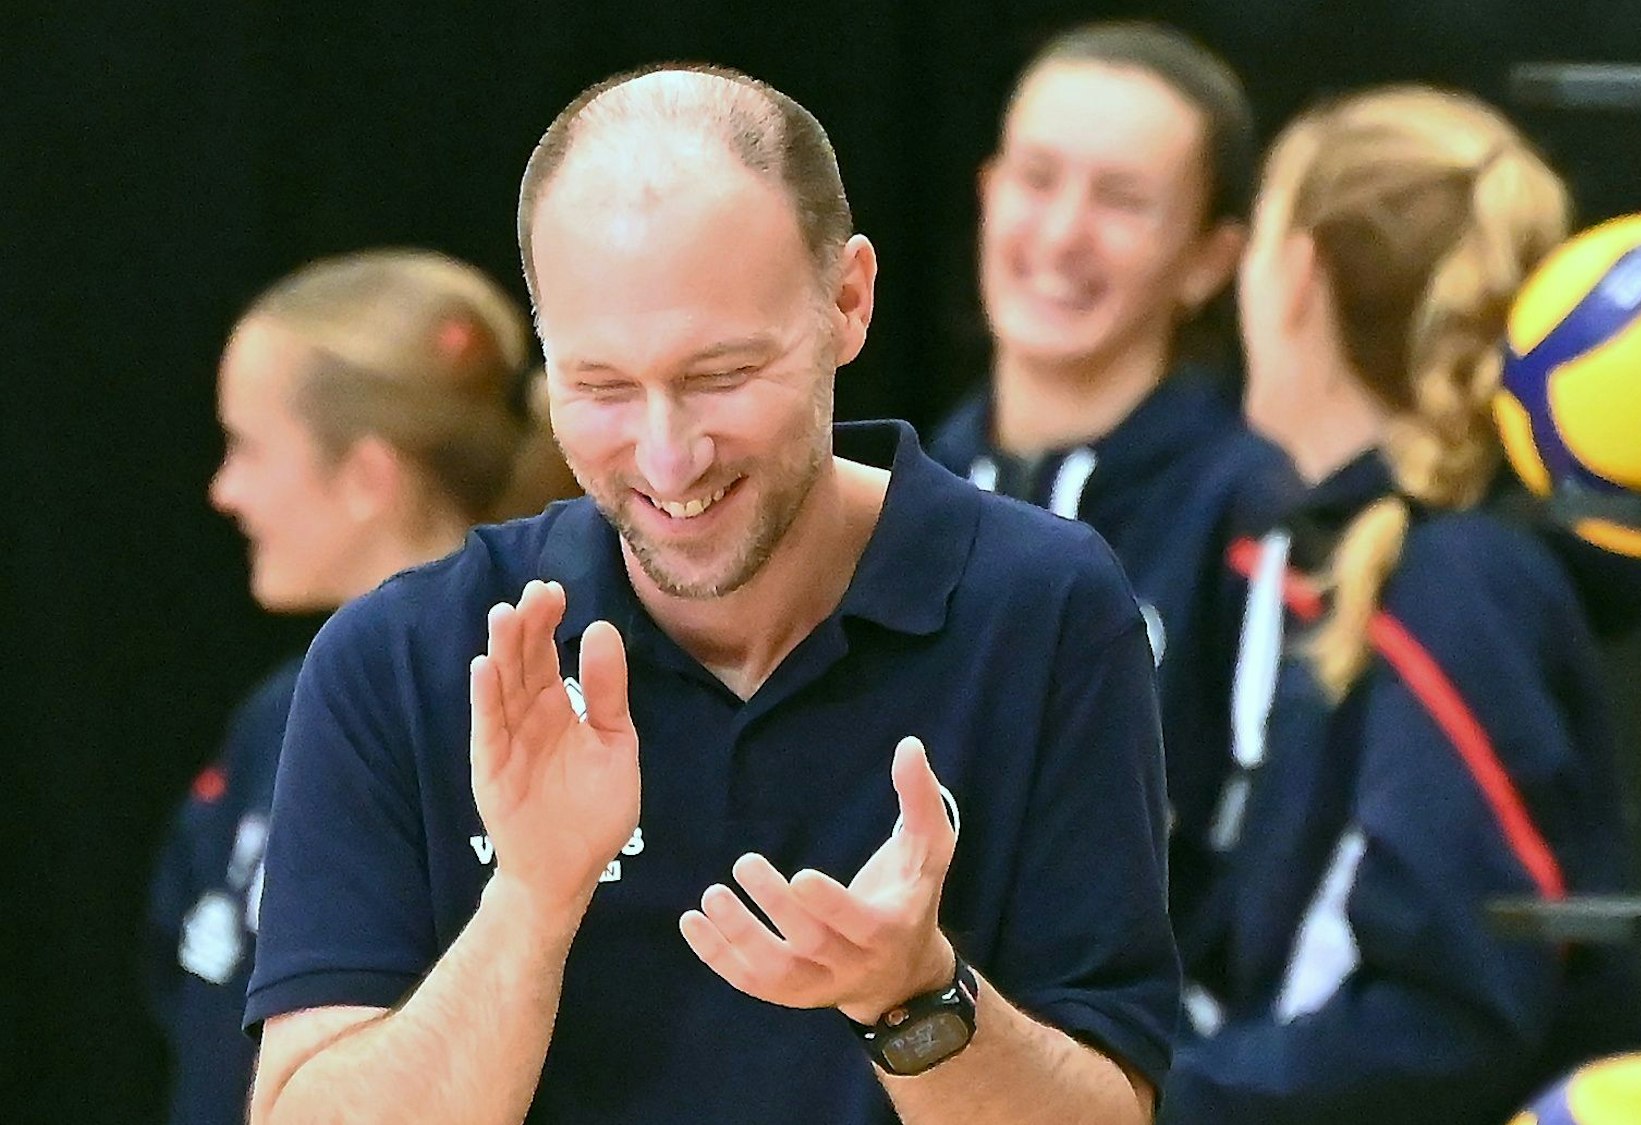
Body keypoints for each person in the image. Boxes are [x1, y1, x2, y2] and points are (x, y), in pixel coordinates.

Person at [242, 64, 1177, 1125]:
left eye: (720, 375)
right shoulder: (405, 654)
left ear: (847, 301)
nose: (667, 456)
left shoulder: (1041, 609)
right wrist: (531, 902)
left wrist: (912, 997)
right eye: (597, 387)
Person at [1159, 87, 1641, 1123]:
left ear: (1294, 277)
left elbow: (1449, 1016)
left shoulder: (1458, 581)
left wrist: (1149, 1100)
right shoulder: (1354, 548)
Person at [145, 248, 578, 1125]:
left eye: (247, 447)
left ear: (367, 477)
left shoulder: (535, 720)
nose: (223, 490)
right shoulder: (280, 713)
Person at [927, 22, 1295, 938]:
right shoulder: (904, 489)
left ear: (1211, 260)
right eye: (1038, 180)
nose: (1061, 236)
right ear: (988, 192)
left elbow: (1263, 877)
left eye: (1123, 201)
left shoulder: (1257, 512)